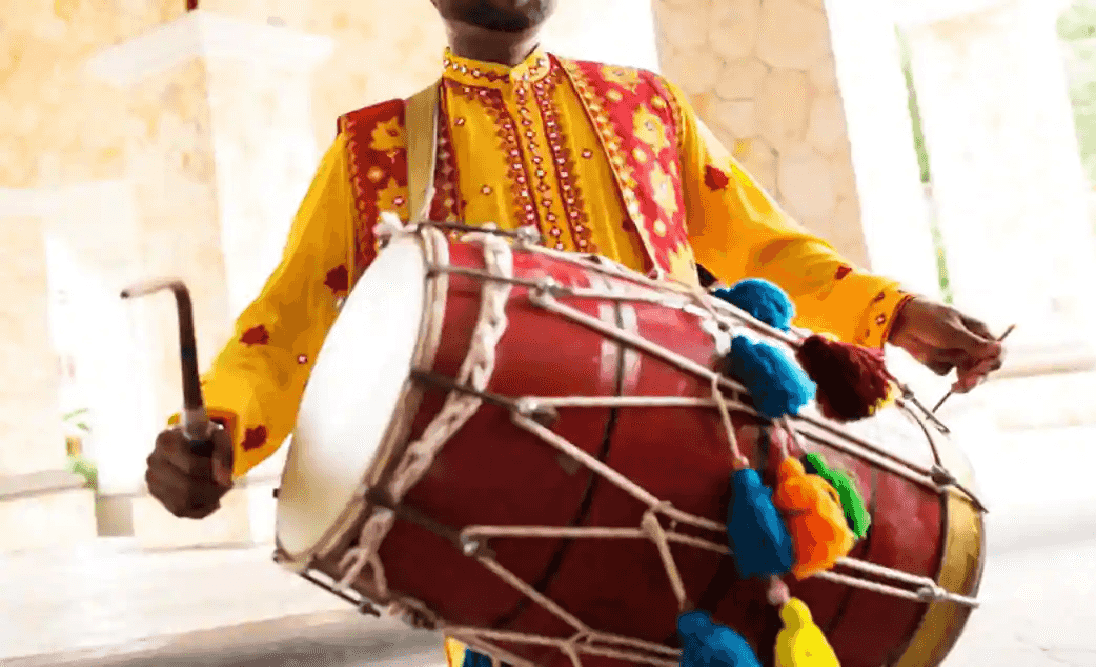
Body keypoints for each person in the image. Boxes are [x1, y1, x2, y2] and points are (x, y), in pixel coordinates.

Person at [145, 0, 1005, 663]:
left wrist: (893, 313)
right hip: (509, 557)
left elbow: (767, 246)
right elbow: (284, 331)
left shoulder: (646, 110)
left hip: (714, 508)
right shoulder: (374, 156)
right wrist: (218, 429)